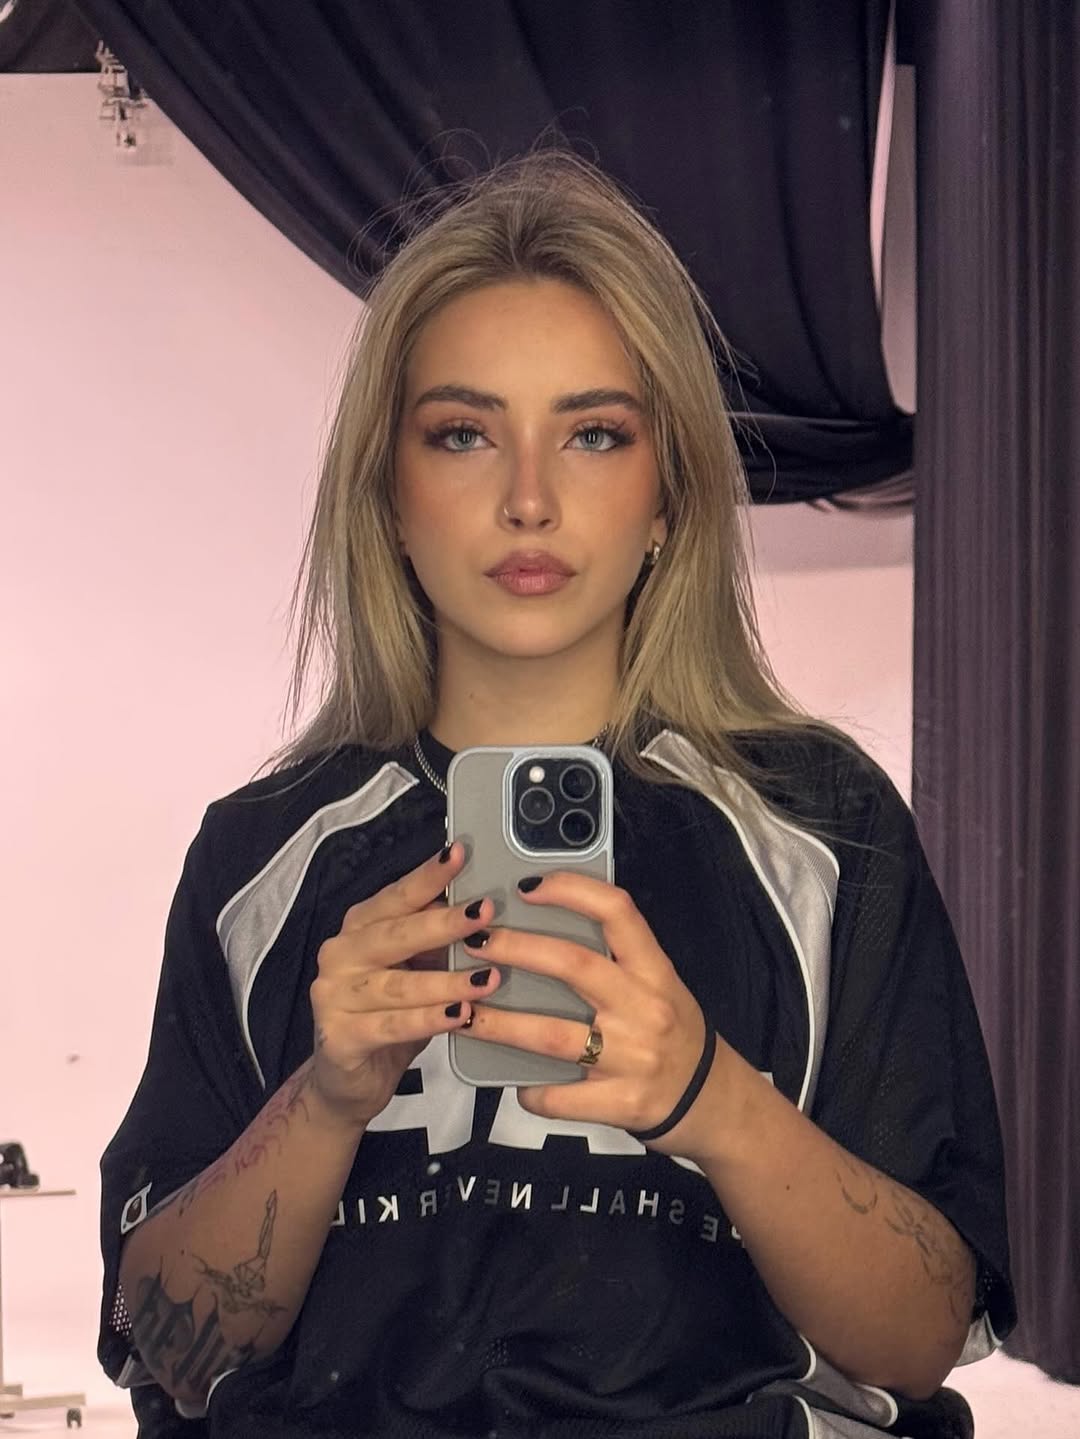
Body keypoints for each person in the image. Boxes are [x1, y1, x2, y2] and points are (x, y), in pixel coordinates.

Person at [98, 149, 1015, 1439]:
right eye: (464, 434)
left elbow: (922, 1341)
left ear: (668, 493)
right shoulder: (262, 854)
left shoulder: (822, 827)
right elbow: (164, 1347)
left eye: (593, 434)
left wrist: (712, 1099)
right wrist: (325, 1101)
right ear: (389, 497)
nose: (529, 499)